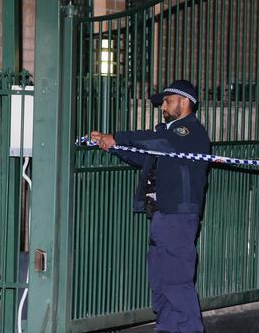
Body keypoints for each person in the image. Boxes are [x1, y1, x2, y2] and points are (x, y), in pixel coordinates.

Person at [90, 80, 210, 333]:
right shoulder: (168, 136)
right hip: (162, 216)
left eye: (168, 101)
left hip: (178, 216)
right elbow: (144, 155)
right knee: (160, 280)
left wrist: (117, 137)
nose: (163, 106)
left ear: (185, 101)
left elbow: (158, 141)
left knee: (176, 281)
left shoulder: (188, 132)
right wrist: (113, 147)